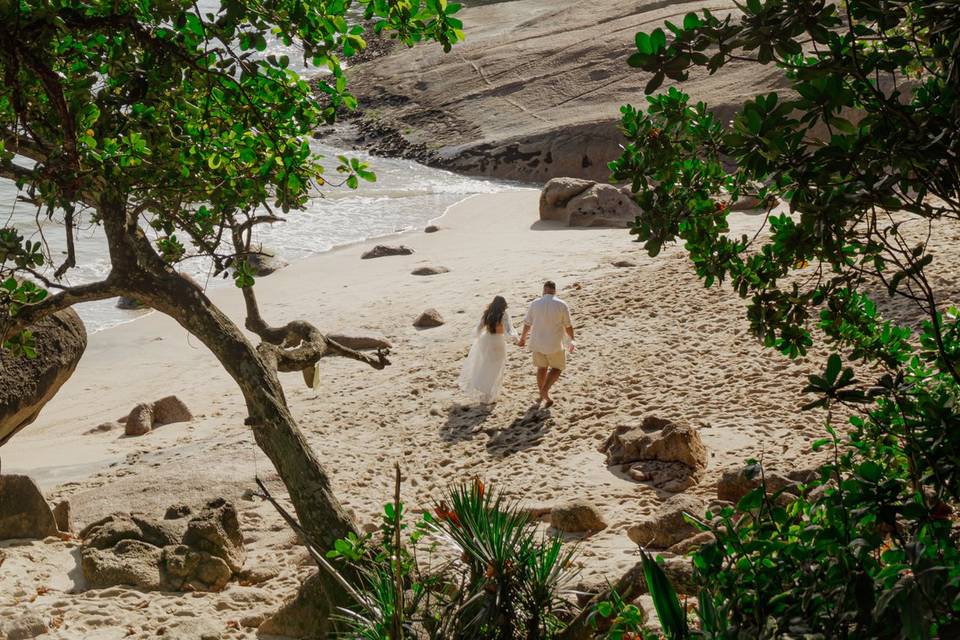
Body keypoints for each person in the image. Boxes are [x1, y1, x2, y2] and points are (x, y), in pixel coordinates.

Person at [518, 281, 574, 408]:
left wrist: (523, 338)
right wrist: (572, 340)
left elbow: (527, 323)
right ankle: (545, 390)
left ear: (544, 290)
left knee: (541, 368)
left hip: (537, 343)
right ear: (554, 291)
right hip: (554, 344)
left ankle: (541, 392)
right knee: (557, 368)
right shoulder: (562, 304)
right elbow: (568, 325)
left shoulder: (535, 303)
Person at [458, 295, 518, 404]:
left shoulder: (487, 313)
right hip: (497, 342)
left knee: (486, 364)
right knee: (497, 367)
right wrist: (515, 339)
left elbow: (478, 329)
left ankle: (482, 386)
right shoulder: (504, 314)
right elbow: (508, 330)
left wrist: (478, 339)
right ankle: (488, 390)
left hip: (486, 341)